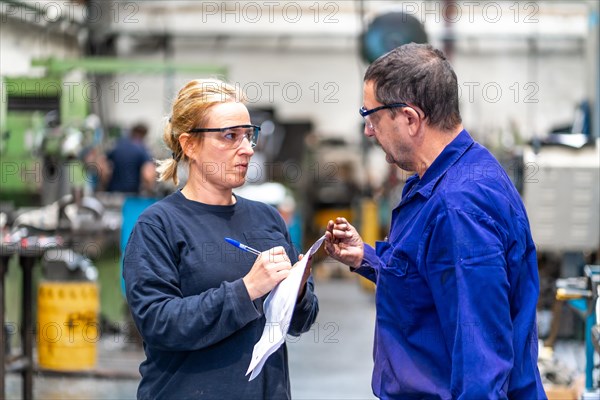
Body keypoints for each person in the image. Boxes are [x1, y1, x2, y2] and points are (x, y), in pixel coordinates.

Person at [325, 43, 546, 399]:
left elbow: (481, 366)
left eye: (372, 116)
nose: (368, 130)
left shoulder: (458, 207)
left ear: (410, 119)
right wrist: (365, 257)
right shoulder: (445, 178)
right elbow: (423, 280)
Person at [123, 79, 319, 400]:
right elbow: (158, 323)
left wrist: (298, 292)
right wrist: (246, 291)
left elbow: (300, 322)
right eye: (230, 136)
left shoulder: (267, 218)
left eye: (248, 135)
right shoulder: (159, 225)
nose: (247, 149)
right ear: (190, 145)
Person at [105, 123, 155, 193]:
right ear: (143, 135)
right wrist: (150, 191)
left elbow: (104, 165)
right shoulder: (141, 149)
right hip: (131, 193)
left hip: (113, 191)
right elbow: (148, 175)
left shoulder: (118, 144)